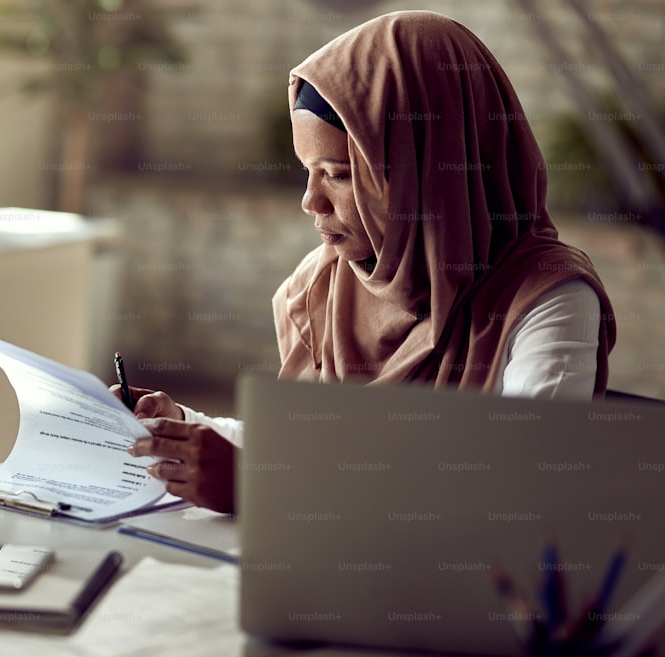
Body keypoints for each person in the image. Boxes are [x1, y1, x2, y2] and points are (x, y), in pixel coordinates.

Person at [115, 10, 616, 514]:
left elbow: (522, 489)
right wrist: (182, 429)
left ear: (429, 170)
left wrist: (264, 487)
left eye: (338, 173)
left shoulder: (547, 297)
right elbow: (305, 450)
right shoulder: (322, 284)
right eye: (308, 171)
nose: (311, 201)